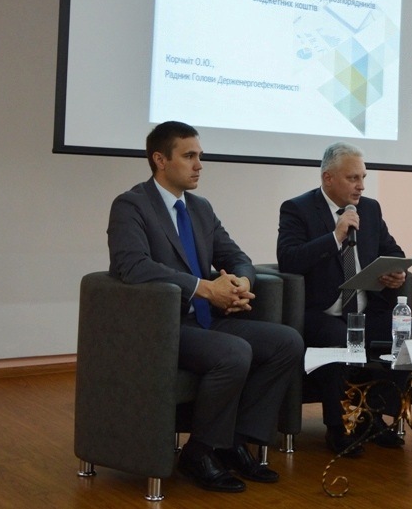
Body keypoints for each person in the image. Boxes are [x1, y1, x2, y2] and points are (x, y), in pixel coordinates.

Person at [107, 121, 304, 494]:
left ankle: (233, 442)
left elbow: (237, 257)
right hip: (165, 325)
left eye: (200, 156)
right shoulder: (131, 205)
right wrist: (204, 289)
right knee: (234, 352)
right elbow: (133, 266)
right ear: (160, 160)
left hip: (208, 321)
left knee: (287, 343)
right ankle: (199, 452)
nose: (199, 165)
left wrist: (241, 283)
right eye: (189, 156)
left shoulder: (200, 208)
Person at [277, 142, 407, 455]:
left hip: (365, 309)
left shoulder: (370, 209)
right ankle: (337, 427)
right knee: (336, 337)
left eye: (363, 177)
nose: (361, 186)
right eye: (353, 178)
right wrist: (335, 237)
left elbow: (393, 251)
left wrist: (397, 273)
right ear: (328, 178)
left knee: (400, 333)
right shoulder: (297, 209)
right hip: (320, 312)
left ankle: (372, 417)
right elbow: (289, 260)